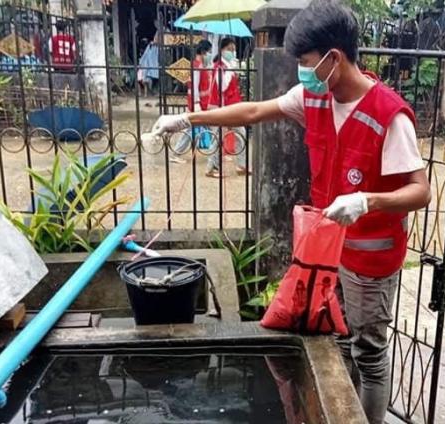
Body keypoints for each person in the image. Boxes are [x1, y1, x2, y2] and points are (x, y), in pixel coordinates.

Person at [150, 1, 430, 422]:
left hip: (372, 259)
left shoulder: (387, 115)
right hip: (330, 250)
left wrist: (367, 201)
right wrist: (189, 119)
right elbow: (253, 111)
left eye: (305, 61)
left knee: (369, 353)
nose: (301, 70)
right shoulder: (314, 97)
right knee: (337, 341)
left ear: (333, 58)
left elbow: (421, 191)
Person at [206, 38, 249, 178]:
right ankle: (212, 167)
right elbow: (222, 87)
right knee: (218, 138)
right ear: (222, 50)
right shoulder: (219, 66)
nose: (232, 52)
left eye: (233, 49)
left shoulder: (226, 65)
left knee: (241, 134)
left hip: (232, 106)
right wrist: (230, 71)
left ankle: (242, 165)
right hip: (221, 107)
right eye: (230, 49)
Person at [170, 40, 214, 164]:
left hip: (202, 103)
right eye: (209, 52)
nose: (210, 54)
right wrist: (196, 103)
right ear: (204, 52)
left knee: (208, 127)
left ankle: (216, 153)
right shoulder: (196, 66)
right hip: (198, 104)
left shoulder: (200, 66)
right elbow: (194, 86)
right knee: (191, 128)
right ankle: (176, 153)